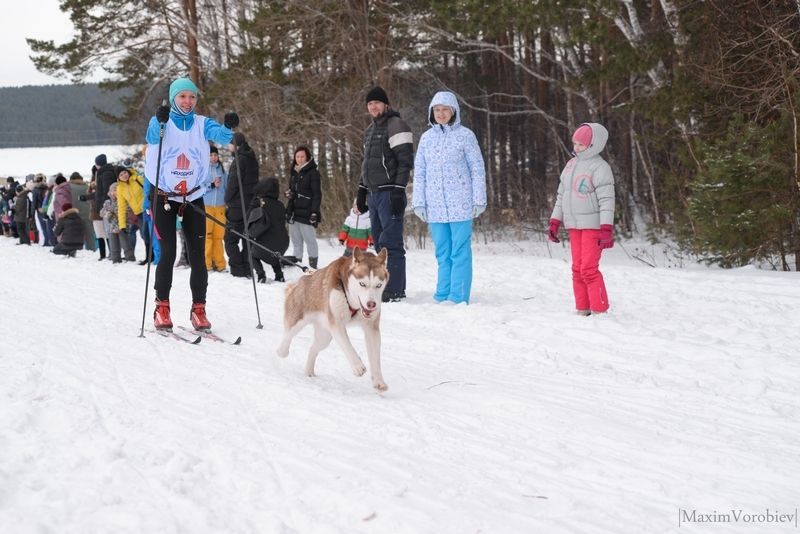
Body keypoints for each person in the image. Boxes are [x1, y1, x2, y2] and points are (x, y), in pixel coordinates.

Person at [144, 77, 237, 331]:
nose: (187, 102)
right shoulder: (161, 121)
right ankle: (161, 307)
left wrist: (229, 127)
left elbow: (221, 135)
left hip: (193, 197)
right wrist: (159, 119)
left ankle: (199, 309)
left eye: (192, 97)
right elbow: (152, 137)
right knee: (168, 254)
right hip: (165, 198)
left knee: (198, 256)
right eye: (182, 96)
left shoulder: (201, 123)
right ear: (174, 98)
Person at [412, 91, 486, 304]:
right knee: (442, 252)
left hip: (461, 204)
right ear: (431, 112)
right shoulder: (427, 139)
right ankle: (442, 293)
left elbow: (477, 168)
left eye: (445, 109)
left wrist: (478, 199)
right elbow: (420, 172)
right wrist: (419, 202)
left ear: (454, 111)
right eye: (437, 110)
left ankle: (458, 295)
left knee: (459, 251)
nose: (441, 113)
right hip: (434, 206)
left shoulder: (465, 136)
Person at [547, 123, 615, 316]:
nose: (576, 148)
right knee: (577, 269)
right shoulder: (571, 165)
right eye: (575, 143)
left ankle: (599, 309)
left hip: (593, 226)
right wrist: (555, 221)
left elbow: (607, 200)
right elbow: (562, 196)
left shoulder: (600, 167)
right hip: (574, 225)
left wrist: (606, 228)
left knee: (588, 269)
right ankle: (583, 309)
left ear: (593, 145)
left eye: (581, 144)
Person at [355, 86, 414, 302]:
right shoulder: (369, 131)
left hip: (390, 192)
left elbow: (405, 161)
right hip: (373, 193)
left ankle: (396, 289)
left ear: (385, 104)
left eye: (376, 103)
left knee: (391, 243)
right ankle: (384, 285)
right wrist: (361, 191)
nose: (373, 107)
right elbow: (366, 165)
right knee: (379, 245)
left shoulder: (396, 125)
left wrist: (399, 190)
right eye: (370, 104)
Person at [224, 132, 259, 278]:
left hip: (238, 206)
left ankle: (238, 269)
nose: (229, 146)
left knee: (230, 239)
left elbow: (233, 183)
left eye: (230, 143)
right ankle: (247, 268)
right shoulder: (252, 159)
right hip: (251, 205)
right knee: (246, 238)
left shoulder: (239, 160)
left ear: (236, 145)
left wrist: (227, 198)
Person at [284, 146, 322, 268]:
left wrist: (314, 212)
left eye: (302, 156)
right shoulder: (294, 173)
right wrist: (288, 193)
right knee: (296, 241)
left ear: (307, 158)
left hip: (307, 212)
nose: (299, 159)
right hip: (294, 212)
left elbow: (317, 194)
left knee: (310, 240)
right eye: (297, 157)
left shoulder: (313, 173)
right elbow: (293, 190)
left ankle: (313, 266)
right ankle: (297, 263)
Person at [247, 177, 290, 283]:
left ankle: (261, 275)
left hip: (266, 245)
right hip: (283, 244)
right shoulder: (280, 205)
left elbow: (249, 218)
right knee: (274, 255)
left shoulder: (260, 203)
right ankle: (279, 275)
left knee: (252, 255)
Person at [204, 145, 228, 271]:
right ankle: (207, 264)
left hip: (220, 207)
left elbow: (227, 188)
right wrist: (212, 185)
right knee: (207, 236)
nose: (213, 157)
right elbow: (199, 188)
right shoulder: (203, 169)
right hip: (206, 207)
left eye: (215, 155)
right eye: (211, 155)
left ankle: (220, 264)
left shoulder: (223, 171)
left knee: (218, 237)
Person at [116, 166, 145, 262]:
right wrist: (122, 225)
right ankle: (150, 257)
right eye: (121, 175)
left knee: (150, 235)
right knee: (145, 235)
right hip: (139, 214)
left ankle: (154, 257)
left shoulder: (138, 179)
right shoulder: (120, 189)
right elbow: (121, 207)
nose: (124, 175)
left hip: (148, 210)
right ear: (118, 178)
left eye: (124, 172)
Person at [100, 182, 132, 263]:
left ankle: (130, 258)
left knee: (125, 243)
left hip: (122, 226)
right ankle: (115, 259)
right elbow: (102, 212)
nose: (115, 193)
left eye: (117, 190)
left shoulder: (122, 201)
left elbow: (125, 211)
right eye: (113, 191)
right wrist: (108, 213)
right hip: (111, 227)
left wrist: (113, 211)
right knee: (113, 244)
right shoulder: (107, 202)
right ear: (110, 192)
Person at [67, 171, 95, 252]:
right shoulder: (87, 186)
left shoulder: (69, 187)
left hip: (73, 213)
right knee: (89, 233)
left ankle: (73, 250)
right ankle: (91, 249)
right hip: (87, 212)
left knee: (73, 233)